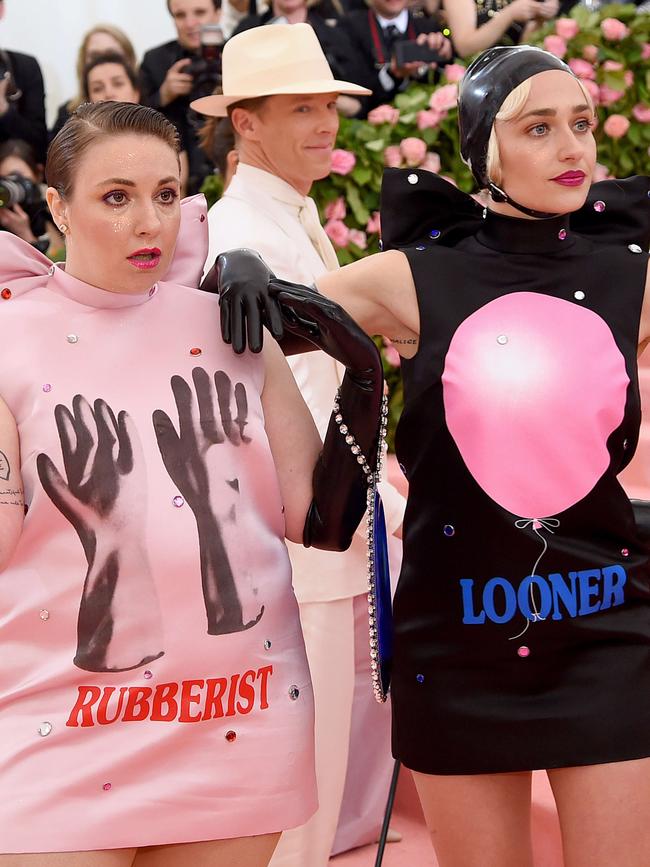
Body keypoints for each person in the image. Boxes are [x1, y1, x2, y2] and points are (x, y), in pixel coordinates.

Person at [215, 44, 650, 867]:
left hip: (608, 629)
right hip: (457, 640)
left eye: (583, 125)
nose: (574, 148)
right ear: (484, 147)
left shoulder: (634, 276)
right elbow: (227, 333)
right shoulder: (409, 279)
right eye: (539, 128)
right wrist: (231, 270)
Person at [0, 99, 385, 866]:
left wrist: (360, 372)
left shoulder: (228, 328)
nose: (150, 222)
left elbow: (322, 522)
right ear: (57, 207)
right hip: (54, 721)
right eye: (117, 196)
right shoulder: (9, 337)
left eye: (167, 194)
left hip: (235, 715)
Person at [193, 24, 405, 865]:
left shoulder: (288, 212)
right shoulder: (237, 230)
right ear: (245, 122)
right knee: (298, 792)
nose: (327, 123)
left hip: (338, 526)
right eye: (303, 108)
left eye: (330, 105)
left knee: (327, 776)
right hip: (297, 539)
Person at [139, 0, 222, 192]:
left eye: (199, 13)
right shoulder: (155, 61)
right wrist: (162, 95)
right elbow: (134, 120)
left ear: (218, 13)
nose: (190, 23)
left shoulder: (236, 54)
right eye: (180, 15)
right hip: (176, 179)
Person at [338, 0, 453, 118]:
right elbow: (356, 91)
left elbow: (449, 83)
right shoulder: (349, 28)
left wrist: (443, 56)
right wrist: (391, 74)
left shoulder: (429, 27)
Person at [49, 24, 137, 141]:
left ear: (130, 59)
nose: (103, 62)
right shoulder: (67, 115)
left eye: (112, 54)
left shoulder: (153, 111)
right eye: (94, 56)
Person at [0, 0, 46, 162]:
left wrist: (4, 110)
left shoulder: (25, 68)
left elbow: (41, 146)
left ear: (1, 9)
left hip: (18, 177)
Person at [442, 0, 560, 58]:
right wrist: (509, 14)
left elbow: (524, 45)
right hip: (482, 76)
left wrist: (541, 17)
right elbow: (465, 47)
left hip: (519, 68)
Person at [0, 138, 57, 254]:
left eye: (18, 177)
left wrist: (24, 234)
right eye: (5, 180)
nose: (10, 186)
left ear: (39, 174)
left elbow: (58, 266)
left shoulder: (54, 209)